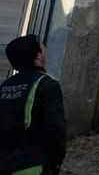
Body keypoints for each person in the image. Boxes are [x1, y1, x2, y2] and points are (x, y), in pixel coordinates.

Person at [0, 36, 66, 175]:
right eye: (43, 46)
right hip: (30, 167)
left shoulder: (5, 86)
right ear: (38, 56)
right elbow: (55, 131)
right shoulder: (47, 84)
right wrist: (55, 165)